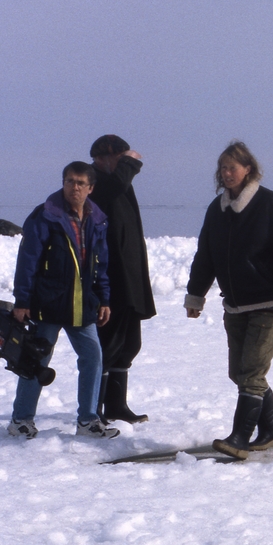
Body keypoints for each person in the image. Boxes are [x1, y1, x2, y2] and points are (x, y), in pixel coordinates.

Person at [183, 141, 273, 459]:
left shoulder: (270, 205)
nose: (227, 173)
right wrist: (195, 295)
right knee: (241, 372)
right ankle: (271, 431)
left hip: (268, 302)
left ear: (249, 169)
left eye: (233, 167)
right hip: (234, 303)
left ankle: (240, 438)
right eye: (223, 168)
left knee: (251, 373)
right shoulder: (216, 211)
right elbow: (205, 256)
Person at [7, 162, 120, 439]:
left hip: (82, 306)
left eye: (81, 183)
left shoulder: (97, 219)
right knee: (36, 361)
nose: (75, 187)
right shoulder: (45, 216)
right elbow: (28, 261)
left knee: (93, 357)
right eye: (70, 181)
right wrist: (22, 300)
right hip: (47, 304)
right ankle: (21, 420)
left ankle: (88, 421)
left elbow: (100, 263)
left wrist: (104, 298)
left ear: (91, 188)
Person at [89, 135, 157, 423]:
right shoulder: (96, 184)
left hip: (129, 279)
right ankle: (94, 410)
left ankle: (116, 406)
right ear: (105, 158)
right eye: (118, 159)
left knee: (129, 345)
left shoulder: (117, 185)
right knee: (109, 344)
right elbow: (115, 185)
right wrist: (129, 162)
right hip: (109, 280)